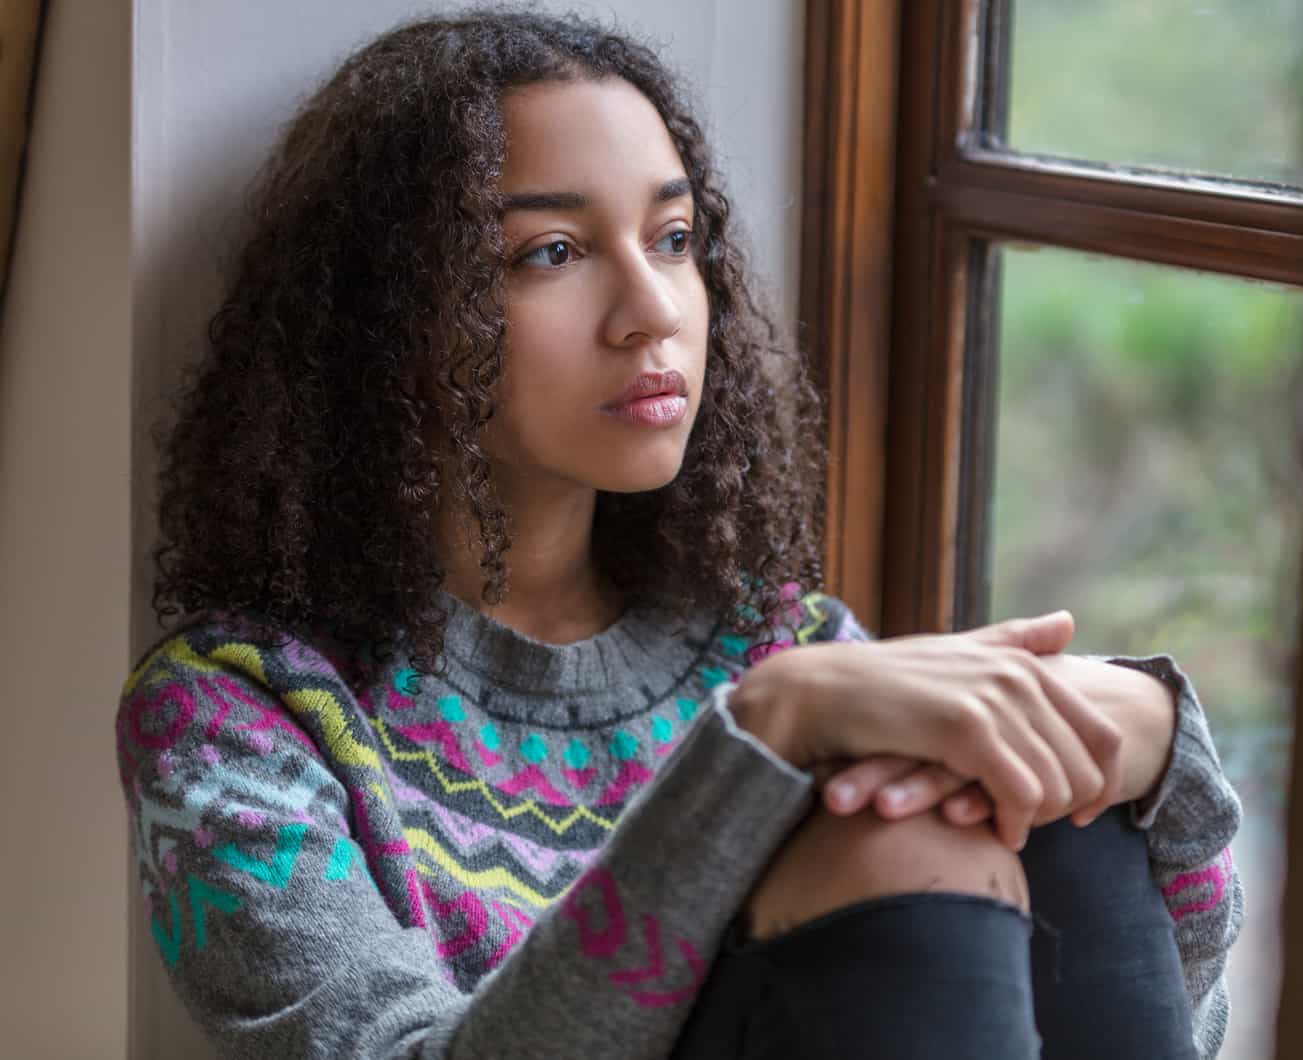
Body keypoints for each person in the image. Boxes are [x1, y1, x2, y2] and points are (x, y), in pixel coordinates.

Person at [116, 9, 1242, 1059]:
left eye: (672, 236)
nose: (653, 308)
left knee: (1022, 783)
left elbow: (1121, 1015)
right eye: (549, 252)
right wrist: (758, 734)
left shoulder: (776, 641)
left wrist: (1151, 750)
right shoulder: (232, 715)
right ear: (382, 315)